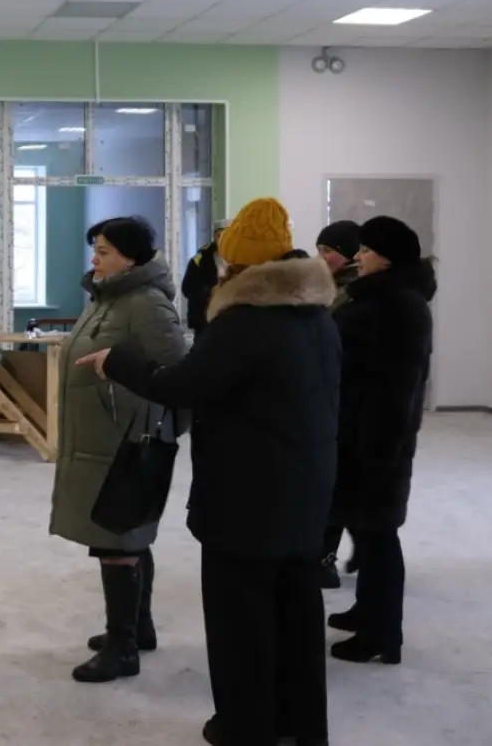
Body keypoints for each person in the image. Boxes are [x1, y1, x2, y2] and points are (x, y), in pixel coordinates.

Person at [80, 198, 338, 746]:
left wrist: (116, 361)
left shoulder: (246, 321)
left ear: (242, 264)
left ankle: (245, 726)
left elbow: (182, 385)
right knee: (295, 611)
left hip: (246, 498)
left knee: (240, 620)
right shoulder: (317, 317)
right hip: (305, 489)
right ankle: (300, 726)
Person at [49, 216, 188, 684]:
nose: (95, 259)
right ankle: (137, 628)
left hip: (127, 440)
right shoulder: (107, 298)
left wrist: (157, 432)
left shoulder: (146, 305)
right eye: (95, 250)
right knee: (121, 535)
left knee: (119, 538)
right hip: (100, 440)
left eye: (104, 251)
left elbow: (179, 378)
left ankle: (122, 647)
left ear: (131, 258)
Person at [327, 216, 435, 666]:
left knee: (377, 536)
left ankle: (382, 634)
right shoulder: (380, 297)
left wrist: (380, 452)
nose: (358, 256)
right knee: (366, 530)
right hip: (359, 434)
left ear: (387, 258)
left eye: (367, 250)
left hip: (373, 442)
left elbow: (397, 388)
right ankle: (368, 612)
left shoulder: (398, 306)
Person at [315, 219, 362, 589]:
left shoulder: (355, 296)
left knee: (339, 485)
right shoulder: (330, 289)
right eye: (319, 250)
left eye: (328, 251)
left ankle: (325, 560)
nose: (322, 257)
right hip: (331, 399)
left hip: (348, 403)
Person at [181, 219, 231, 337]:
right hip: (205, 320)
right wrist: (210, 292)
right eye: (219, 236)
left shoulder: (241, 258)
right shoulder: (201, 259)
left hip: (231, 319)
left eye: (227, 236)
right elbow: (187, 288)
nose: (222, 240)